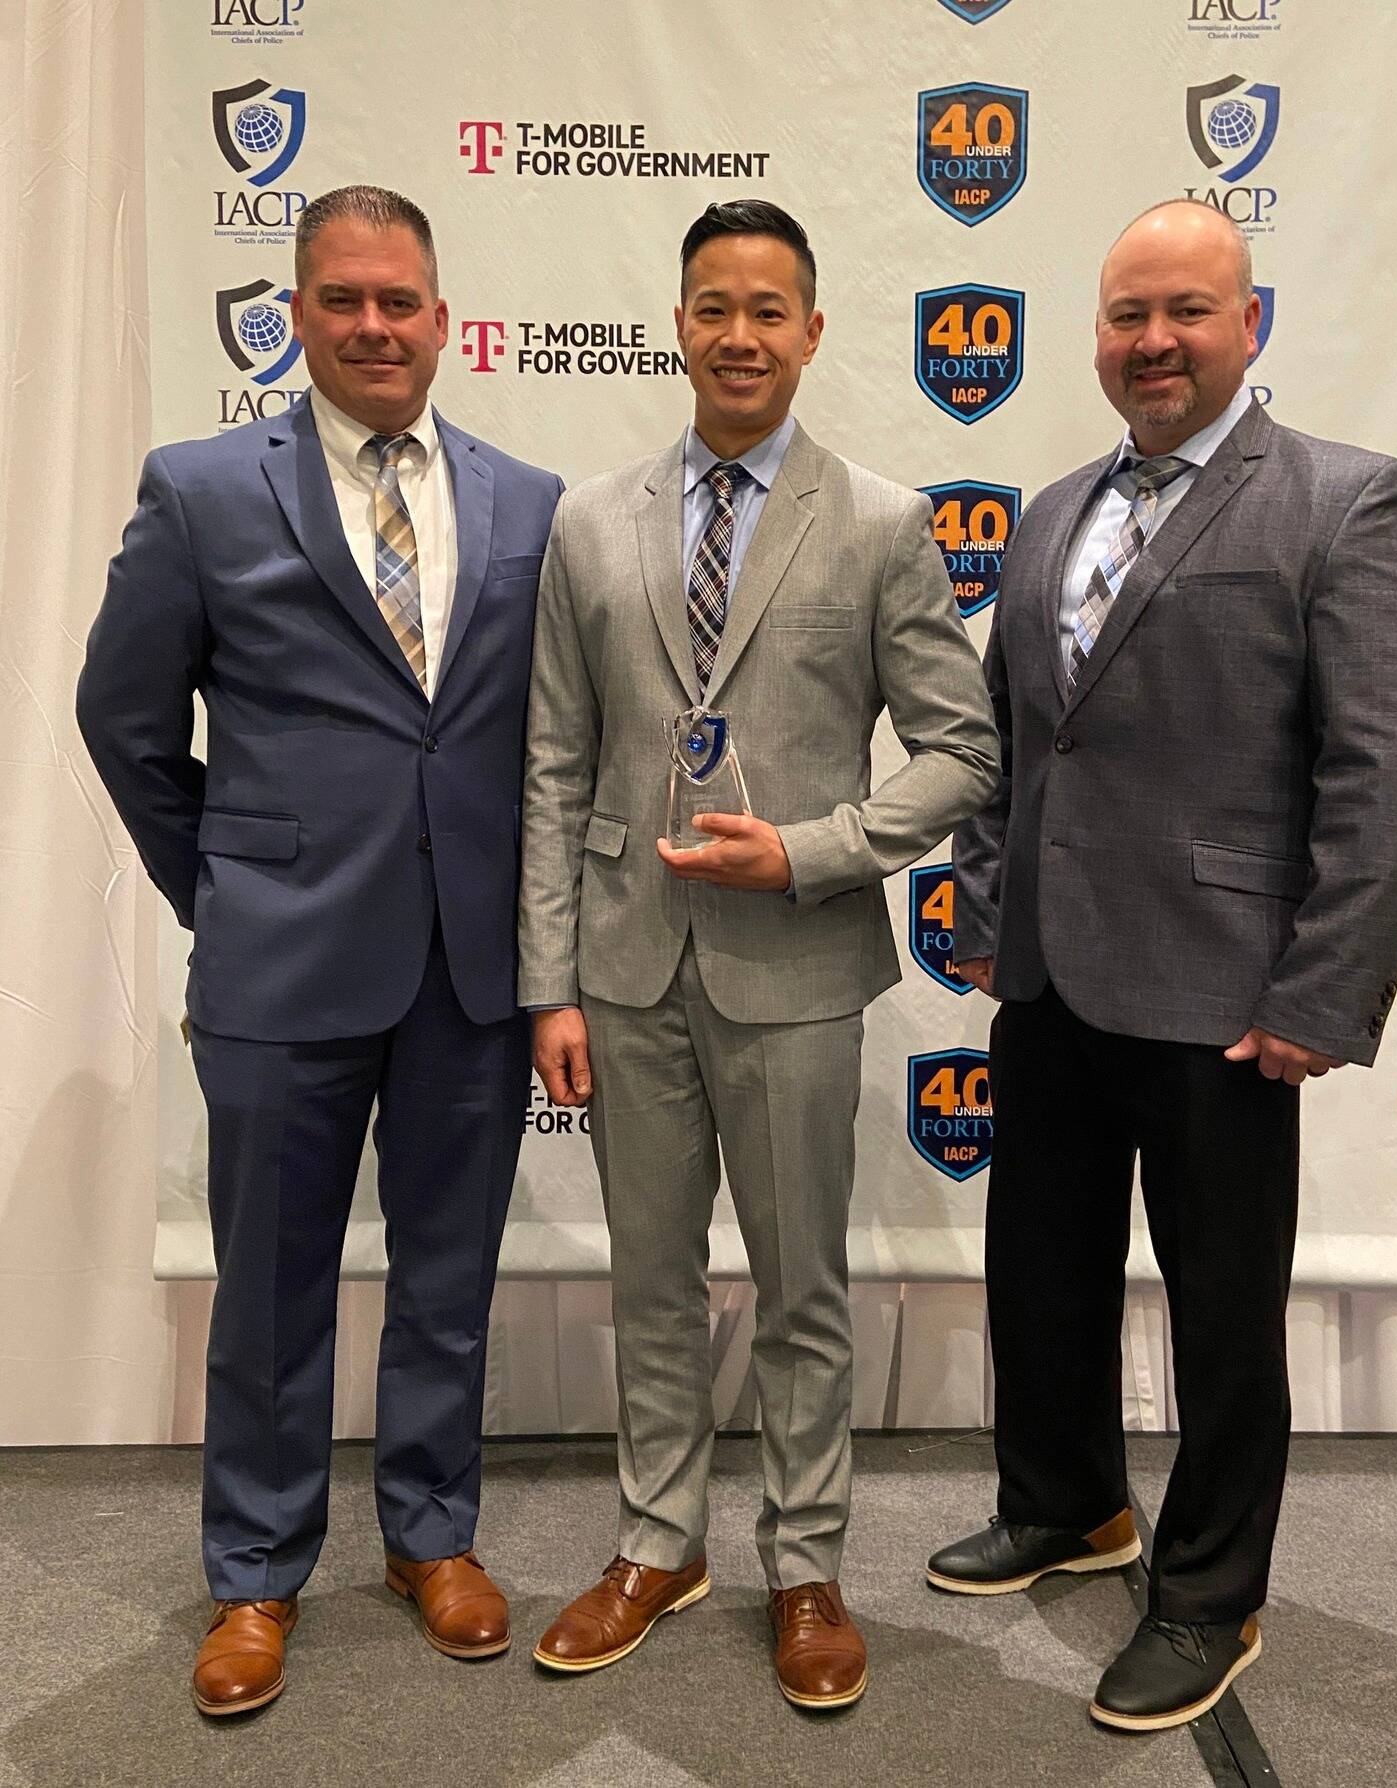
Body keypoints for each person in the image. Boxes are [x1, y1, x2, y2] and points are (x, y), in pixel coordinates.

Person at [927, 198, 1397, 1732]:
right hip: (1049, 976)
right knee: (1041, 1268)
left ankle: (1212, 1595)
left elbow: (1384, 764)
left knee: (1222, 1313)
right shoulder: (1048, 510)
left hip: (1228, 992)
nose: (1152, 342)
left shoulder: (1341, 500)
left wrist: (1320, 996)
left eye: (1185, 313)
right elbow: (1011, 735)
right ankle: (1067, 1500)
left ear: (1249, 323)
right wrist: (978, 897)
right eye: (1126, 316)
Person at [76, 185, 562, 1716]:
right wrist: (219, 881)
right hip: (280, 963)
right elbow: (125, 718)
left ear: (443, 316)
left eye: (400, 300)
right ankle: (257, 1573)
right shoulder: (205, 488)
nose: (374, 326)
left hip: (467, 971)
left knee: (447, 1279)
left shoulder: (529, 501)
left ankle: (432, 1537)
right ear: (298, 315)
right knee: (272, 1286)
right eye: (344, 299)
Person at [519, 199, 998, 1709]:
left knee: (799, 1286)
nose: (739, 334)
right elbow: (549, 760)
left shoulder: (880, 522)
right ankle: (659, 1544)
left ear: (810, 329)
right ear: (678, 324)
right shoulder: (588, 522)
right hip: (625, 963)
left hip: (796, 965)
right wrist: (548, 981)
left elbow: (963, 748)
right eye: (713, 307)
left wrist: (813, 849)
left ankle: (806, 1565)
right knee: (654, 1280)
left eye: (768, 309)